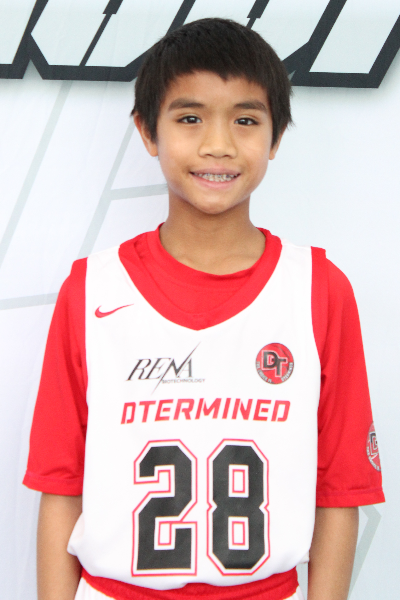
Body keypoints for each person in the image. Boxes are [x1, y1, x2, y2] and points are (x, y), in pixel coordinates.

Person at [24, 17, 384, 600]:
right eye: (190, 118)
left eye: (246, 120)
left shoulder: (318, 289)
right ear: (148, 131)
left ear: (276, 137)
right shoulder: (91, 290)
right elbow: (61, 488)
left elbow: (340, 493)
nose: (218, 144)